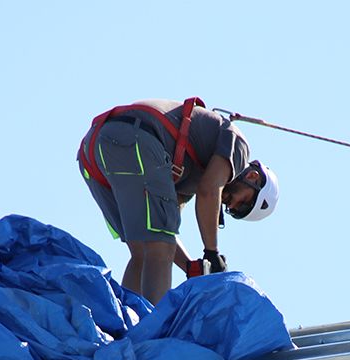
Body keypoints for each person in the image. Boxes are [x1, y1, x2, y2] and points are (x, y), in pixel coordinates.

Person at [78, 98, 279, 303]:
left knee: (142, 249)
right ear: (253, 177)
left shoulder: (187, 178)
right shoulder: (239, 148)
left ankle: (125, 326)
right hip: (136, 138)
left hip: (94, 152)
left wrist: (191, 267)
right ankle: (152, 330)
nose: (231, 205)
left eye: (236, 211)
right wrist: (212, 252)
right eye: (243, 202)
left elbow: (166, 231)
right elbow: (209, 190)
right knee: (157, 246)